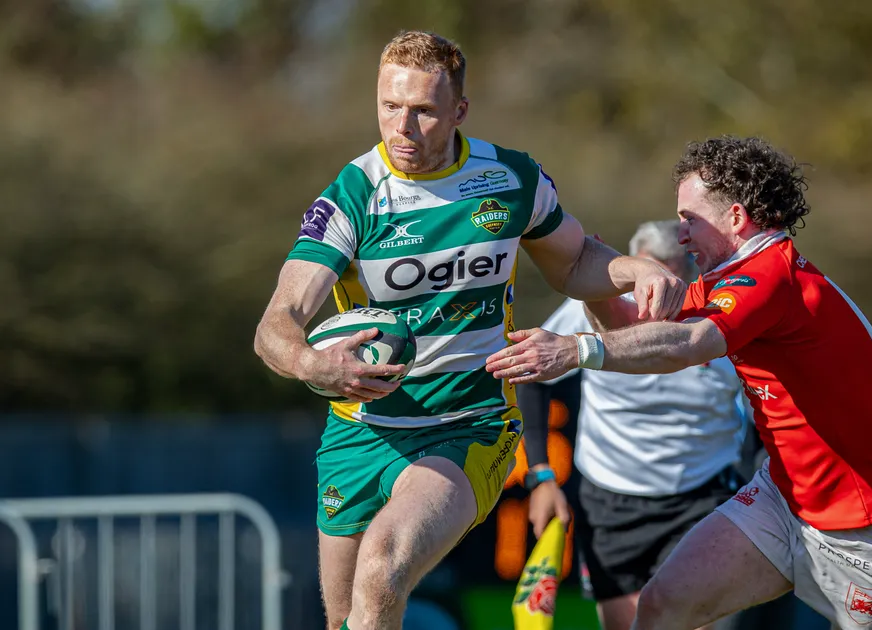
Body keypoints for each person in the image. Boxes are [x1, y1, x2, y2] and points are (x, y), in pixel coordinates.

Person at [252, 30, 686, 630]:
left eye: (423, 111)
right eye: (388, 106)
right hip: (360, 429)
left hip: (468, 423)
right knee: (348, 615)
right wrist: (310, 364)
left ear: (459, 111)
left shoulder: (510, 178)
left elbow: (574, 262)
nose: (401, 127)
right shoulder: (352, 195)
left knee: (383, 567)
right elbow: (277, 323)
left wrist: (630, 268)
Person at [486, 135, 872, 630]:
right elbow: (632, 331)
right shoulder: (736, 279)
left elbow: (686, 345)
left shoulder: (769, 277)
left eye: (690, 220)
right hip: (783, 499)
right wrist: (595, 268)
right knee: (662, 606)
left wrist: (574, 350)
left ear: (736, 217)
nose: (681, 235)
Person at [519, 220, 753, 630]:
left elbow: (765, 410)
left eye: (670, 287)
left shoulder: (720, 316)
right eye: (644, 283)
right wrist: (541, 477)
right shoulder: (588, 308)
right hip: (609, 500)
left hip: (702, 495)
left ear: (691, 276)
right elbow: (534, 376)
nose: (651, 302)